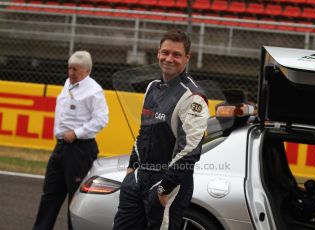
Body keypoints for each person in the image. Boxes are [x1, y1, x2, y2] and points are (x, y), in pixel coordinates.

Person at [113, 30, 210, 230]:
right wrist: (132, 169)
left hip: (167, 184)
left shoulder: (193, 97)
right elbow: (143, 133)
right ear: (158, 53)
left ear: (187, 58)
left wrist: (164, 187)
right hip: (139, 178)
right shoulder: (152, 87)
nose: (169, 58)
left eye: (176, 54)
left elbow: (190, 150)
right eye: (165, 52)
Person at [33, 50, 109, 230]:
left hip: (80, 149)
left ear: (87, 71)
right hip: (61, 147)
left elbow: (102, 120)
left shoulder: (94, 91)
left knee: (76, 198)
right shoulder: (68, 83)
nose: (71, 73)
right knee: (50, 192)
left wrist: (77, 133)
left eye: (76, 69)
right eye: (69, 68)